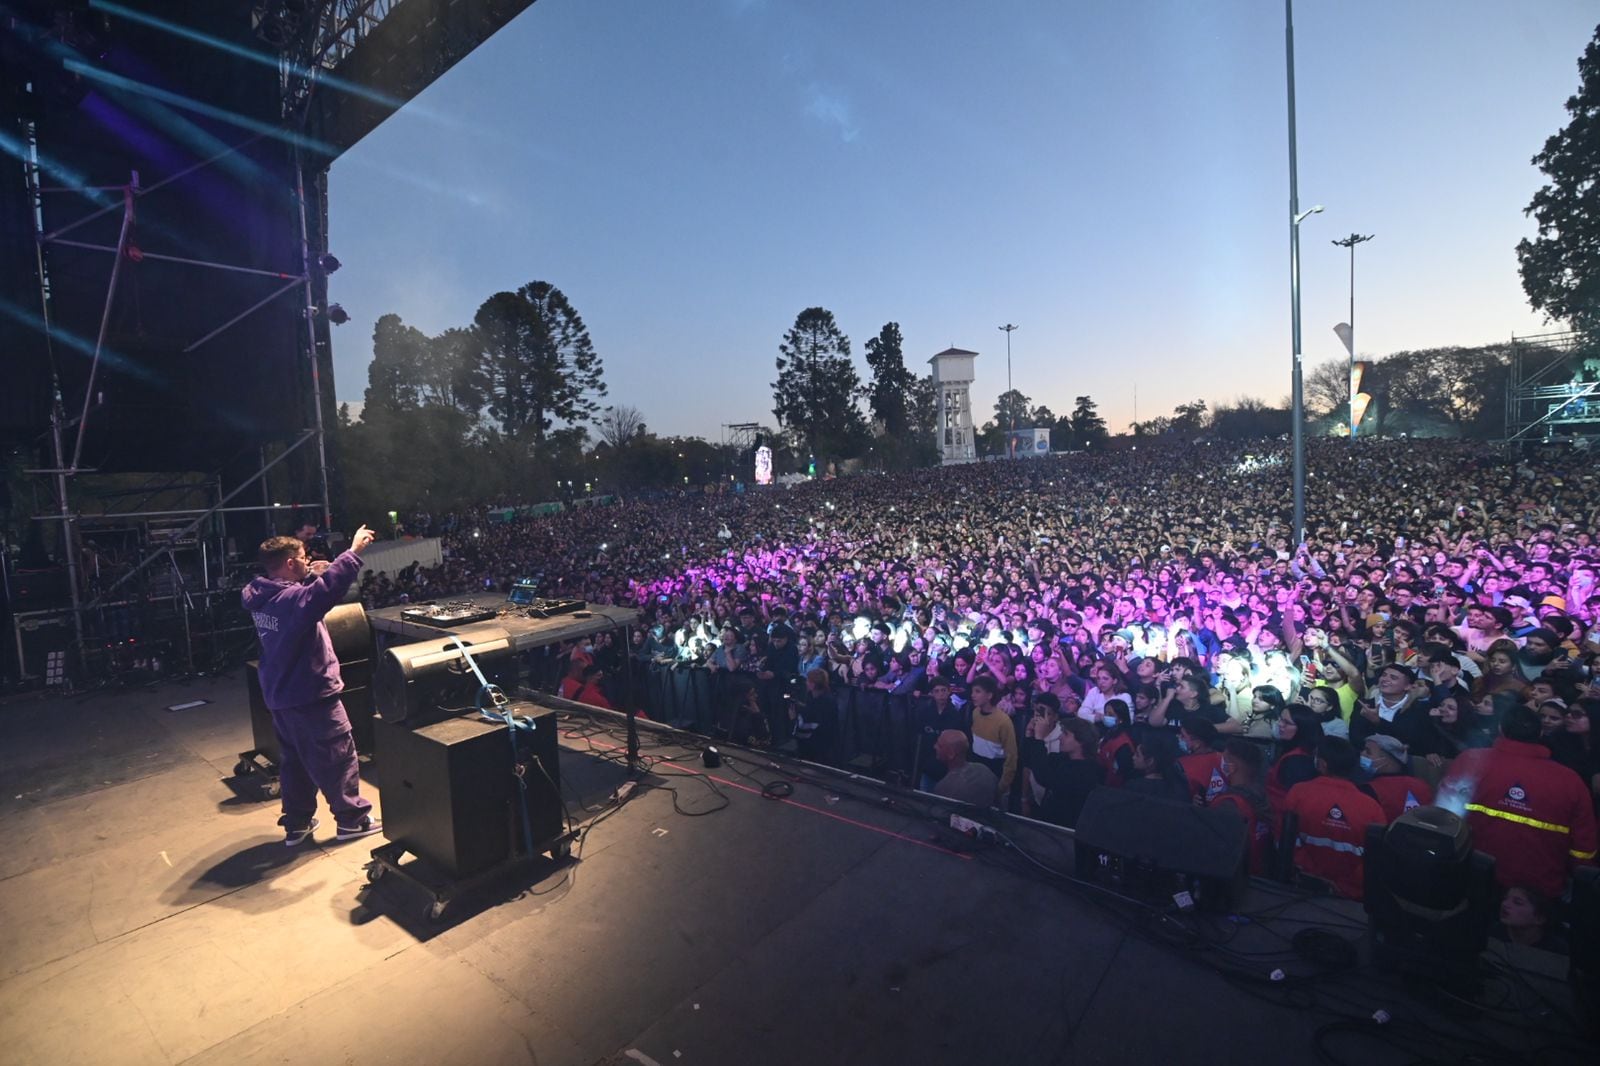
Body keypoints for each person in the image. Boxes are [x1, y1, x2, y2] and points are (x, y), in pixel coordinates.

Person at [243, 524, 382, 846]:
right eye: (304, 559)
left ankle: (297, 824)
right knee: (337, 756)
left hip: (281, 696)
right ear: (290, 563)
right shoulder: (293, 600)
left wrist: (313, 573)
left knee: (295, 763)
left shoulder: (261, 593)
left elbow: (297, 595)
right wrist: (354, 551)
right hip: (310, 693)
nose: (308, 562)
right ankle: (352, 821)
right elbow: (323, 594)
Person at [1439, 704, 1597, 899]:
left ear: (1501, 729)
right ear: (1540, 732)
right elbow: (1584, 846)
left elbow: (1442, 816)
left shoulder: (1470, 760)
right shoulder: (1569, 780)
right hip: (1537, 893)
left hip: (1472, 880)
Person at [1281, 737, 1388, 900]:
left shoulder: (1298, 793)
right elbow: (1375, 858)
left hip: (1301, 889)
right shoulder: (1371, 807)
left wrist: (1315, 879)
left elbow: (1285, 842)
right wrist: (1343, 886)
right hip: (1351, 900)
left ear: (1322, 764)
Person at [1020, 717, 1105, 828]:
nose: (1060, 737)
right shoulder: (1064, 758)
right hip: (1050, 822)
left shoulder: (1087, 770)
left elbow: (1043, 776)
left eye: (1065, 734)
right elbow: (1033, 761)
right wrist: (1029, 735)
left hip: (1066, 829)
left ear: (1081, 740)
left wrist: (1039, 739)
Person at [1210, 740, 1273, 876]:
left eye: (1224, 760)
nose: (1221, 763)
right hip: (1257, 874)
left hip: (1232, 878)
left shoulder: (1229, 804)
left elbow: (1216, 849)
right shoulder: (1263, 797)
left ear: (1231, 767)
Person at [1360, 734, 1434, 822]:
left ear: (1386, 760)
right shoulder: (1423, 785)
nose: (1362, 754)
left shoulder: (1370, 790)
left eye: (1368, 752)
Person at [968, 676, 1018, 799]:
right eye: (973, 691)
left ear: (989, 695)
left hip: (995, 772)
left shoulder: (1003, 721)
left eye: (978, 691)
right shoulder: (975, 713)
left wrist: (1003, 785)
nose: (973, 695)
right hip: (976, 772)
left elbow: (1011, 756)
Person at [931, 729, 998, 808]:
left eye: (939, 745)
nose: (934, 746)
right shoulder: (984, 770)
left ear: (951, 754)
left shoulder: (945, 788)